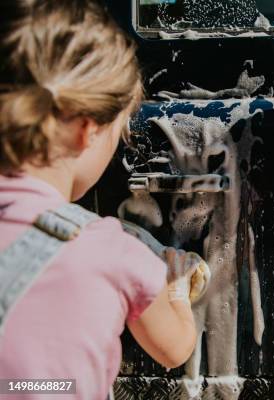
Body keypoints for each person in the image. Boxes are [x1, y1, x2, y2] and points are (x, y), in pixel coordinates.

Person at [0, 1, 201, 398]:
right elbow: (175, 348)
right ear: (86, 132)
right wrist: (176, 283)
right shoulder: (114, 252)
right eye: (120, 134)